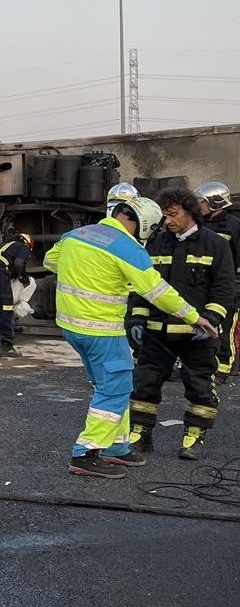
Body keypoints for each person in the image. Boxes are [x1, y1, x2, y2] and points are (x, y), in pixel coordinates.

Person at [44, 196, 216, 479]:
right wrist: (194, 317)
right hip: (103, 331)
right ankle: (86, 453)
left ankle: (116, 446)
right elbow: (157, 292)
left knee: (114, 387)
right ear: (143, 224)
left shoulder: (76, 235)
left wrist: (86, 273)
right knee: (113, 390)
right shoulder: (128, 248)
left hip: (73, 329)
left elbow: (52, 261)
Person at [127, 187, 234, 460]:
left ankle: (194, 437)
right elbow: (142, 287)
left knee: (199, 385)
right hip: (155, 333)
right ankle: (140, 433)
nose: (167, 222)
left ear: (190, 211)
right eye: (164, 216)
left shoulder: (216, 245)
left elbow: (223, 289)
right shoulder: (156, 243)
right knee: (144, 384)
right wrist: (137, 318)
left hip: (196, 335)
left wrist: (210, 320)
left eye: (173, 215)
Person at [194, 181, 240, 383]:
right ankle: (198, 366)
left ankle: (222, 369)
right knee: (201, 327)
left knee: (225, 328)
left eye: (202, 202)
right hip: (203, 285)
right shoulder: (199, 225)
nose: (198, 206)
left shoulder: (234, 226)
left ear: (214, 202)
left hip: (227, 286)